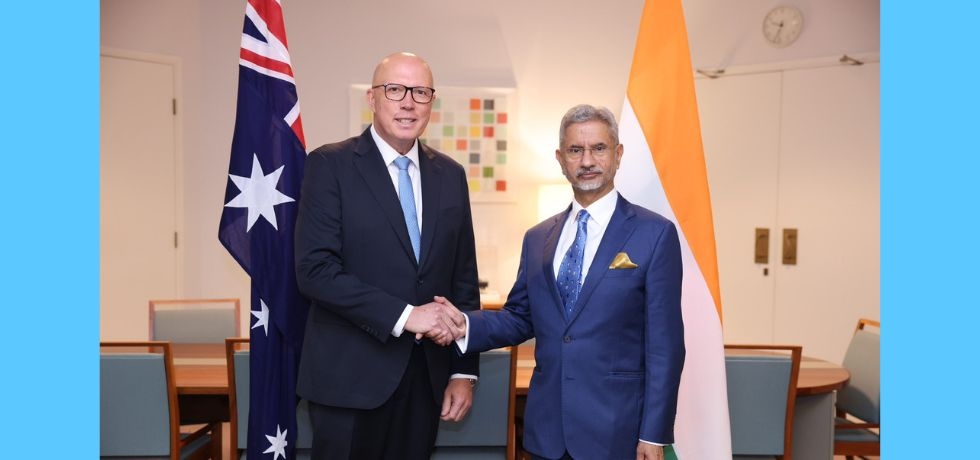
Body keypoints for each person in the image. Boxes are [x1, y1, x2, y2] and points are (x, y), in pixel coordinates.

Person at [450, 104, 685, 460]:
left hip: (619, 432)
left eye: (599, 149)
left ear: (618, 155)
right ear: (561, 159)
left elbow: (665, 347)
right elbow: (520, 317)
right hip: (547, 433)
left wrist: (654, 434)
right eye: (576, 150)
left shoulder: (654, 234)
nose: (587, 160)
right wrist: (460, 323)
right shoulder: (537, 238)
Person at [294, 52, 479, 460]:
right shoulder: (329, 165)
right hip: (348, 381)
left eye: (420, 92)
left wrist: (464, 371)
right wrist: (405, 315)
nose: (408, 102)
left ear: (432, 102)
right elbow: (315, 271)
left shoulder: (450, 175)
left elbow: (463, 278)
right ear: (372, 98)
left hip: (425, 381)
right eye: (394, 90)